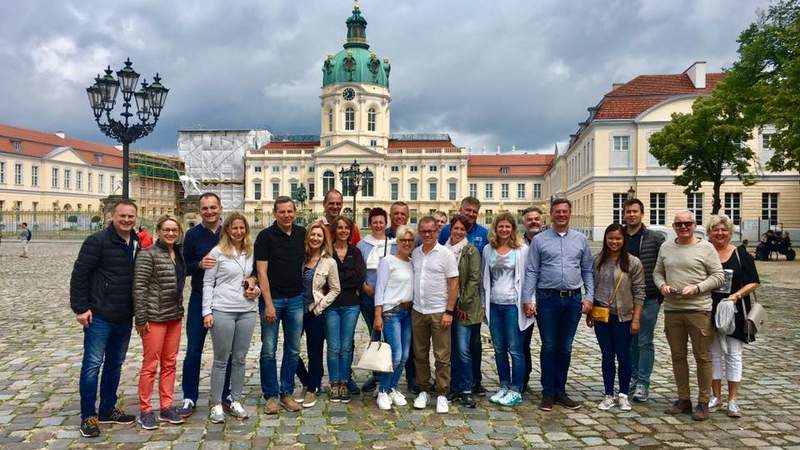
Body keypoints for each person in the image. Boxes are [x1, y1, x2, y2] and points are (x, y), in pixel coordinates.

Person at [70, 199, 139, 438]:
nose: (127, 220)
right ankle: (88, 415)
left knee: (115, 365)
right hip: (99, 315)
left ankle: (107, 408)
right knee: (92, 366)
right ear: (112, 216)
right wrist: (80, 308)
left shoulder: (137, 241)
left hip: (123, 314)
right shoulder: (97, 241)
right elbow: (80, 274)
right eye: (122, 216)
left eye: (131, 216)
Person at [522, 198, 594, 412]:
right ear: (551, 215)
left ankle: (560, 390)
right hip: (548, 298)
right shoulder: (540, 240)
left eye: (565, 211)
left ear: (569, 213)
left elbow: (587, 270)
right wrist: (528, 299)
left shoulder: (581, 240)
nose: (561, 215)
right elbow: (532, 270)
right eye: (557, 212)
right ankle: (548, 392)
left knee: (566, 347)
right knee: (549, 346)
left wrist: (589, 296)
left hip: (572, 299)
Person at [654, 210, 725, 421]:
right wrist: (662, 286)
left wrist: (697, 288)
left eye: (687, 223)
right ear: (674, 226)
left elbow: (718, 276)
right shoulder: (666, 247)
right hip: (673, 310)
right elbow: (658, 272)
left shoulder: (706, 247)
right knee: (678, 356)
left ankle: (703, 401)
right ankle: (683, 398)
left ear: (695, 225)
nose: (683, 227)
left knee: (702, 357)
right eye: (679, 224)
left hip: (698, 309)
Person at [202, 213, 261, 423]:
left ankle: (235, 399)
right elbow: (208, 283)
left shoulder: (250, 251)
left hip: (246, 309)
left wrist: (257, 291)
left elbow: (253, 278)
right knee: (221, 359)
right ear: (227, 230)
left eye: (241, 228)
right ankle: (217, 403)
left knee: (240, 358)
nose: (238, 232)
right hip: (223, 309)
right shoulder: (217, 252)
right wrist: (206, 312)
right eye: (234, 228)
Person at [180, 193, 233, 417]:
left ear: (221, 208)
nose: (209, 211)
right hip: (199, 298)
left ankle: (226, 393)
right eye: (205, 208)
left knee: (225, 351)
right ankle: (189, 396)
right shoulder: (192, 235)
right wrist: (199, 264)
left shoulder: (229, 232)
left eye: (213, 207)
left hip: (225, 301)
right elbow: (184, 267)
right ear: (200, 211)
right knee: (193, 350)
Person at [133, 215, 187, 430]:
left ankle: (166, 406)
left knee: (170, 363)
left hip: (174, 315)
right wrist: (141, 317)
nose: (171, 233)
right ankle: (145, 410)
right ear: (158, 231)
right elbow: (139, 288)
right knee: (150, 365)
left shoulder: (178, 253)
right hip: (154, 317)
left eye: (174, 230)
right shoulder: (148, 254)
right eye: (167, 229)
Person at [255, 196, 307, 413]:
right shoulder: (265, 236)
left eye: (290, 211)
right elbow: (261, 272)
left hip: (296, 299)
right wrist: (268, 303)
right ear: (275, 213)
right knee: (269, 349)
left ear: (295, 212)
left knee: (293, 349)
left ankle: (286, 392)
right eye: (282, 212)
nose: (286, 215)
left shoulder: (301, 234)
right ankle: (271, 395)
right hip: (273, 299)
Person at [587, 224, 645, 411]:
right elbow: (592, 289)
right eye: (611, 238)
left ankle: (623, 394)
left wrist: (636, 319)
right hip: (603, 316)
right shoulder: (598, 261)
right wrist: (590, 312)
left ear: (623, 240)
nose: (614, 242)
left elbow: (639, 292)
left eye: (618, 238)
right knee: (607, 356)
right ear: (605, 239)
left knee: (624, 355)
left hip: (624, 316)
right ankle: (608, 393)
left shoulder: (633, 262)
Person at [707, 214, 760, 418]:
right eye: (715, 230)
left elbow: (753, 281)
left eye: (724, 230)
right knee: (713, 355)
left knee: (733, 355)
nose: (720, 233)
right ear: (710, 232)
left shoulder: (740, 254)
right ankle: (716, 397)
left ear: (730, 232)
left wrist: (736, 295)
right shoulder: (706, 252)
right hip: (710, 309)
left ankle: (732, 400)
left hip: (735, 311)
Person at [437, 196, 489, 395]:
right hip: (448, 303)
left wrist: (463, 304)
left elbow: (477, 276)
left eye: (475, 212)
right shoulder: (444, 234)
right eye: (468, 210)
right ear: (460, 209)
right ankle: (456, 383)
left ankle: (472, 383)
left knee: (471, 347)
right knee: (454, 348)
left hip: (469, 304)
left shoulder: (482, 234)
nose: (471, 214)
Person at [482, 212, 533, 407]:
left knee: (515, 349)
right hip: (495, 303)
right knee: (499, 349)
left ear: (513, 229)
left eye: (507, 227)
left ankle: (516, 388)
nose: (504, 230)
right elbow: (486, 278)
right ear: (495, 229)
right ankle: (504, 384)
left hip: (513, 304)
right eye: (500, 226)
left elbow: (529, 278)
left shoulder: (522, 250)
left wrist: (530, 301)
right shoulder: (488, 249)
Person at [411, 216, 459, 413]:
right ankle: (423, 389)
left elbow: (454, 284)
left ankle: (441, 393)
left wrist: (449, 311)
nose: (427, 234)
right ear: (420, 233)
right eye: (424, 231)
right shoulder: (415, 253)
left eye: (431, 231)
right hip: (418, 310)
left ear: (437, 232)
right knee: (420, 354)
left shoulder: (445, 254)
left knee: (442, 355)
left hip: (439, 311)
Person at [622, 198, 665, 402]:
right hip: (623, 300)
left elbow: (663, 266)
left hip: (648, 297)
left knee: (644, 341)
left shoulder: (654, 238)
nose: (631, 215)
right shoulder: (618, 236)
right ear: (624, 214)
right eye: (628, 211)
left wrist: (660, 291)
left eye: (635, 211)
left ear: (642, 214)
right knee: (629, 342)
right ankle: (632, 377)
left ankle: (643, 383)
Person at [294, 223, 341, 407]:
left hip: (314, 310)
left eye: (319, 236)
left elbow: (335, 289)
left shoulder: (329, 262)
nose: (315, 238)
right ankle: (306, 380)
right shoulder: (299, 258)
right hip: (296, 309)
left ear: (324, 239)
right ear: (308, 237)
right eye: (312, 235)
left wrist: (320, 305)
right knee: (291, 350)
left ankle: (313, 388)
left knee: (314, 351)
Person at [373, 225, 416, 410]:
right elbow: (380, 289)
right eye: (403, 240)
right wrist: (377, 314)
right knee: (396, 355)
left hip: (408, 312)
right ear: (397, 242)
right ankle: (382, 390)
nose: (406, 243)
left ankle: (392, 387)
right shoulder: (388, 261)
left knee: (405, 355)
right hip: (392, 312)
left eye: (409, 240)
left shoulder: (413, 262)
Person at [326, 216, 367, 403]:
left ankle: (344, 381)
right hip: (331, 305)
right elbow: (323, 279)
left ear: (351, 231)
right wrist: (344, 278)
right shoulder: (327, 252)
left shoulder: (355, 252)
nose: (343, 231)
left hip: (351, 304)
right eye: (340, 227)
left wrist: (338, 280)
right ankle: (334, 382)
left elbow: (359, 277)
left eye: (346, 228)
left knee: (346, 346)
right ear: (335, 230)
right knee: (334, 346)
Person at [355, 207, 396, 393]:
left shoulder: (393, 244)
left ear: (385, 223)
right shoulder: (362, 245)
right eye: (374, 222)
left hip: (389, 298)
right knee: (374, 332)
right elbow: (358, 270)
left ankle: (387, 375)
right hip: (368, 295)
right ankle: (377, 374)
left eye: (381, 222)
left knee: (390, 335)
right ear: (369, 223)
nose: (378, 225)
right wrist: (365, 287)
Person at [444, 215, 481, 408]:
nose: (458, 232)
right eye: (455, 228)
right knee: (451, 351)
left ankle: (467, 389)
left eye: (462, 230)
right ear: (450, 229)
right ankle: (455, 386)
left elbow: (474, 280)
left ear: (466, 232)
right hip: (447, 307)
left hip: (464, 309)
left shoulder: (470, 251)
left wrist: (462, 305)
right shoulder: (443, 249)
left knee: (463, 350)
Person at [384, 200, 417, 392]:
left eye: (402, 214)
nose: (399, 216)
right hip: (390, 306)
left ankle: (407, 380)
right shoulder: (386, 237)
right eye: (395, 213)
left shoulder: (415, 241)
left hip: (408, 307)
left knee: (405, 351)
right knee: (391, 350)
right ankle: (383, 384)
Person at [520, 206, 544, 393]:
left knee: (549, 343)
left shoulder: (548, 240)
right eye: (529, 219)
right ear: (524, 222)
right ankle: (523, 377)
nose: (533, 222)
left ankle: (549, 381)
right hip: (524, 299)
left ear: (542, 220)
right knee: (522, 342)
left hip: (545, 298)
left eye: (536, 219)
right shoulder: (518, 243)